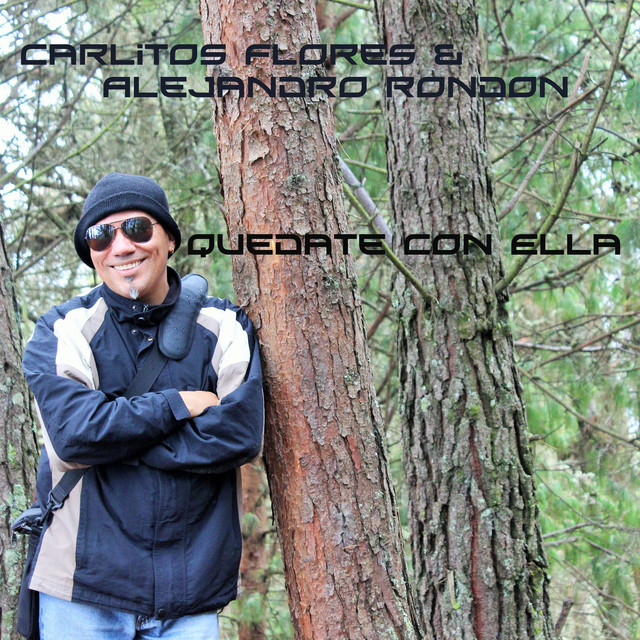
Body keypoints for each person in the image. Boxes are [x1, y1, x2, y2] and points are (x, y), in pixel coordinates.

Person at [21, 172, 264, 639]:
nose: (121, 246)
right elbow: (74, 436)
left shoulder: (224, 325)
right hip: (82, 590)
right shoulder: (62, 329)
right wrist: (176, 406)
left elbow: (238, 436)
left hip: (191, 595)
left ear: (169, 238)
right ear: (92, 252)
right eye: (101, 235)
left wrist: (113, 435)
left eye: (136, 228)